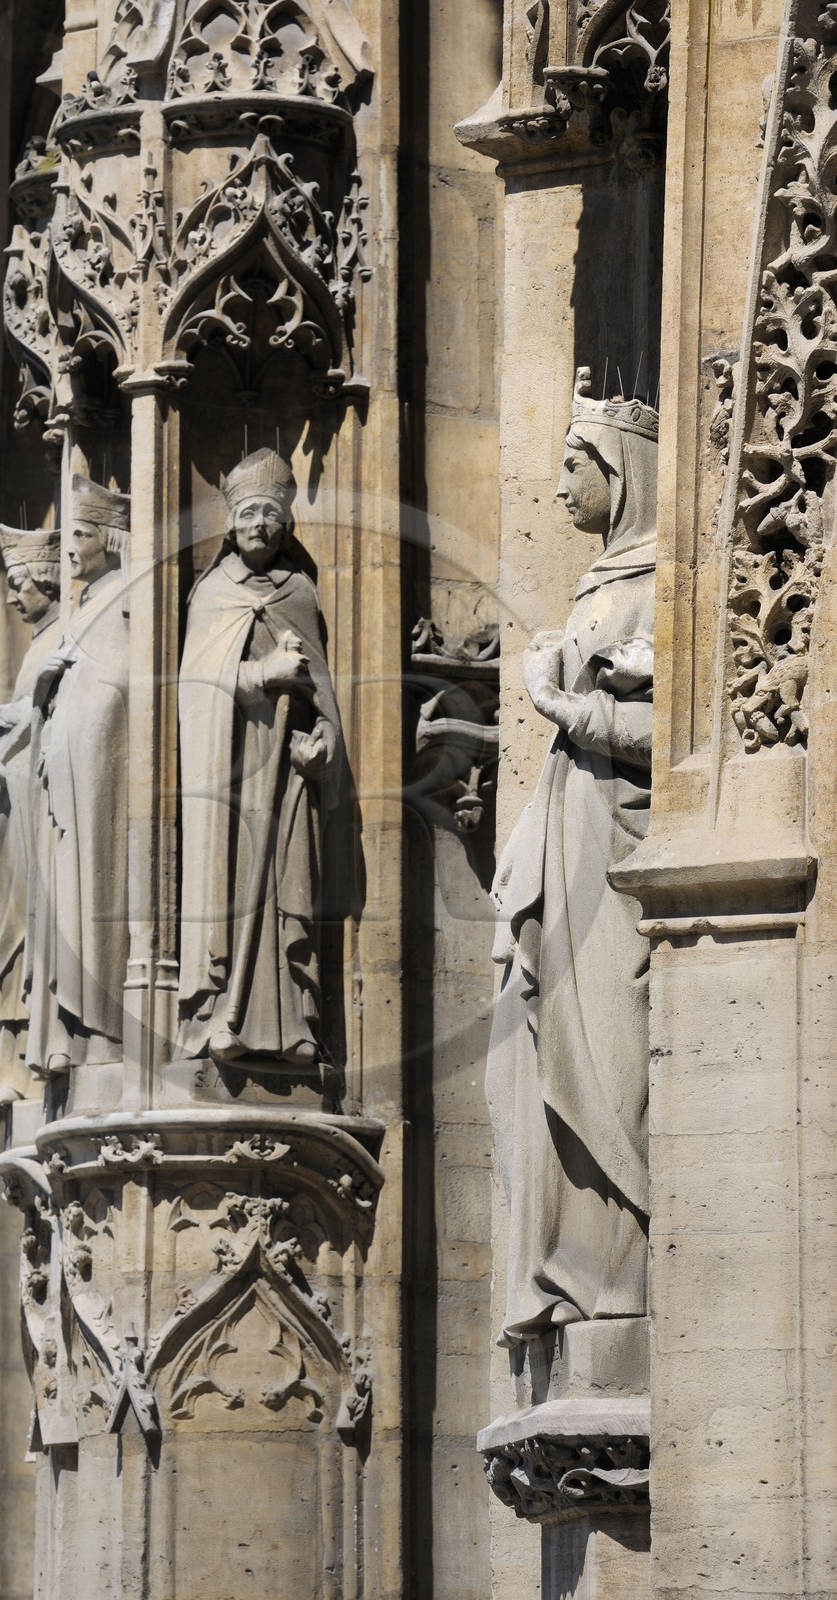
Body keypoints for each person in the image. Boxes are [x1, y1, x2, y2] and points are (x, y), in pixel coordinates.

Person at [487, 368, 658, 1344]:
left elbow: (687, 726)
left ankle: (622, 1271)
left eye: (571, 463)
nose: (554, 485)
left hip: (616, 857)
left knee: (612, 1059)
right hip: (568, 841)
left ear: (618, 471)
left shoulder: (667, 584)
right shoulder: (603, 585)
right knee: (532, 1049)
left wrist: (573, 706)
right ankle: (568, 1269)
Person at [177, 448, 343, 1072]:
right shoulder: (211, 594)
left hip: (286, 771)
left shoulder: (300, 593)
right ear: (229, 523)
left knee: (289, 882)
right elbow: (194, 687)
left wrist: (322, 741)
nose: (260, 526)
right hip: (230, 770)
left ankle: (296, 1021)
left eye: (272, 516)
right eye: (248, 513)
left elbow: (323, 692)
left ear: (287, 526)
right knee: (232, 884)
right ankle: (224, 1011)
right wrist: (259, 674)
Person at [25, 476, 130, 1077]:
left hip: (99, 779)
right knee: (67, 900)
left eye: (82, 533)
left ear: (112, 539)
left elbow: (133, 682)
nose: (69, 546)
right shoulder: (86, 602)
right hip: (62, 778)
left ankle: (103, 1027)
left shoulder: (126, 594)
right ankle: (66, 1025)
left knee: (97, 895)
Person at [0, 526, 61, 1105]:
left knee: (31, 939)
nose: (12, 597)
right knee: (14, 940)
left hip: (43, 818)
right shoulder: (42, 642)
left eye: (19, 583)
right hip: (18, 813)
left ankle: (30, 1058)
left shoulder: (63, 638)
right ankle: (14, 1061)